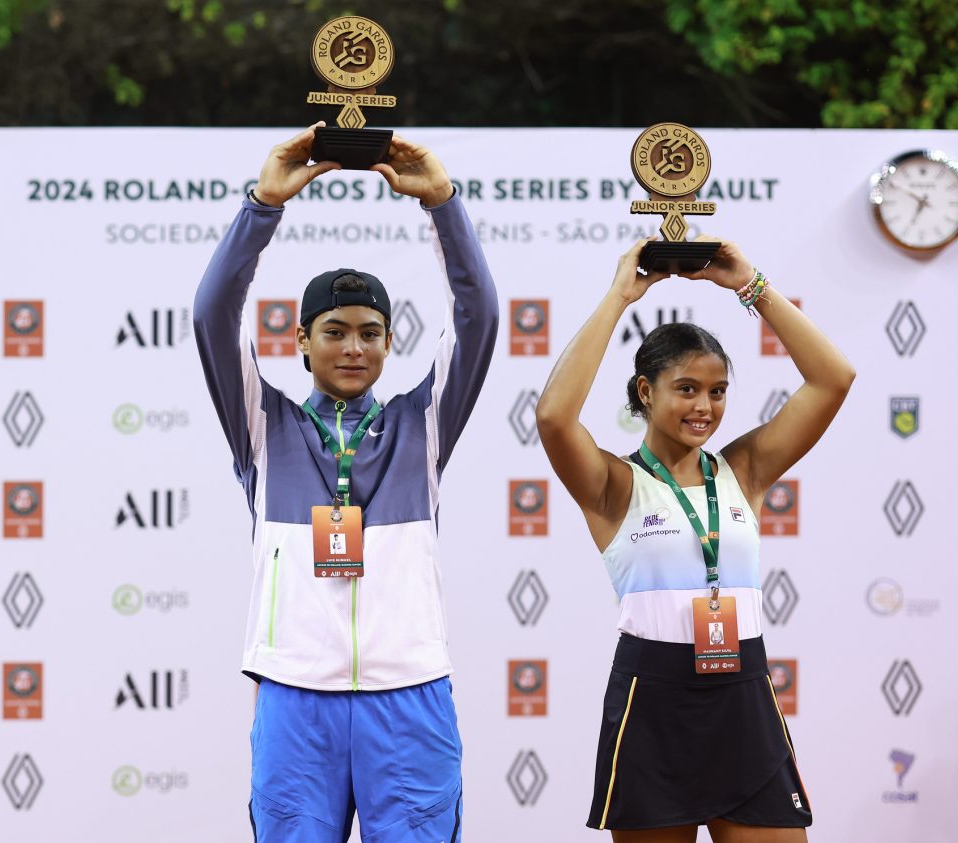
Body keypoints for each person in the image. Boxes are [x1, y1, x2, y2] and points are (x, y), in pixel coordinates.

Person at [193, 123, 498, 842]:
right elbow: (212, 315)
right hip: (296, 694)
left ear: (390, 341)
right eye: (333, 331)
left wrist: (442, 202)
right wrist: (263, 205)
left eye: (370, 331)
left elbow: (479, 316)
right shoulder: (262, 424)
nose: (354, 347)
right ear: (301, 341)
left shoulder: (422, 423)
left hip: (410, 692)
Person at [535, 238, 854, 842]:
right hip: (652, 701)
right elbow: (553, 416)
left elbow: (834, 379)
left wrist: (750, 284)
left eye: (717, 390)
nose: (704, 406)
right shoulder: (613, 485)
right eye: (686, 388)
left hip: (743, 695)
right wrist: (620, 295)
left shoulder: (745, 470)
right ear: (645, 392)